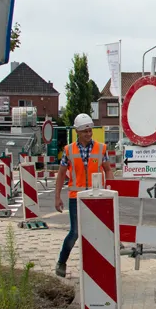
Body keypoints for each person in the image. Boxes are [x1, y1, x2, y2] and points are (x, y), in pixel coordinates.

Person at [54, 113, 114, 277]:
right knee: (75, 233)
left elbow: (108, 170)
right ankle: (61, 262)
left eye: (90, 130)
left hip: (97, 197)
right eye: (85, 131)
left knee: (101, 231)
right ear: (77, 132)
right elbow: (61, 174)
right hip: (77, 197)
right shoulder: (68, 150)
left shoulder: (101, 148)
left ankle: (102, 265)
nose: (88, 134)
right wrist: (57, 196)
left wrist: (110, 190)